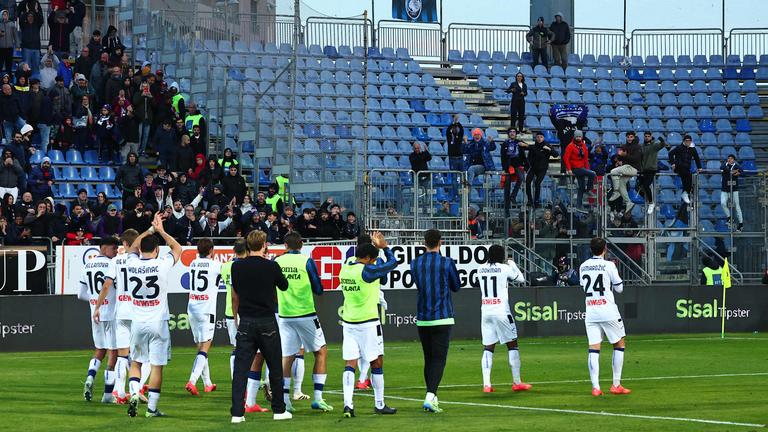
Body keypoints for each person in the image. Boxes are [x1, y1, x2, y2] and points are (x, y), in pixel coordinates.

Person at [230, 230, 292, 424]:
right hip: (267, 321)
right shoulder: (271, 266)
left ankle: (237, 413)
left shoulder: (236, 267)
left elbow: (236, 294)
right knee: (274, 367)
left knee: (241, 369)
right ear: (264, 244)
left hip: (246, 320)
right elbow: (284, 286)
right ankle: (279, 410)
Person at [125, 213, 182, 418]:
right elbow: (178, 249)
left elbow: (131, 248)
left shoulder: (131, 263)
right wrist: (161, 231)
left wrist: (149, 230)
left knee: (136, 363)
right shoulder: (162, 263)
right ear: (157, 250)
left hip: (138, 322)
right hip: (158, 322)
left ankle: (133, 393)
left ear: (141, 249)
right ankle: (151, 409)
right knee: (157, 366)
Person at [338, 231, 397, 418]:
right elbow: (393, 264)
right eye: (373, 259)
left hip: (349, 322)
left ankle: (348, 405)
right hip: (369, 323)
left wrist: (373, 249)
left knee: (350, 363)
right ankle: (379, 404)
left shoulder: (346, 266)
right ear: (369, 258)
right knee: (377, 361)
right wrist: (385, 247)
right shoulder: (367, 271)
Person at [274, 232, 333, 413]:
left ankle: (285, 400)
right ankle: (317, 398)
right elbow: (318, 288)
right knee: (321, 352)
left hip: (284, 314)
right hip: (305, 313)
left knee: (288, 356)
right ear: (301, 245)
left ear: (285, 245)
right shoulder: (306, 261)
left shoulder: (277, 261)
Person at [410, 229, 461, 413]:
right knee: (439, 359)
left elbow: (418, 283)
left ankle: (432, 397)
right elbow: (456, 286)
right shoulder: (447, 263)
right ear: (441, 242)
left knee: (429, 359)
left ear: (424, 242)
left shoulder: (414, 263)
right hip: (442, 316)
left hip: (423, 318)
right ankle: (430, 396)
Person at [474, 244, 532, 393]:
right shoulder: (504, 268)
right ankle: (517, 382)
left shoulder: (480, 269)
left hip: (485, 310)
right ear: (501, 256)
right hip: (501, 311)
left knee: (488, 347)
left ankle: (486, 384)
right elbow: (521, 279)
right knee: (512, 345)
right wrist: (512, 263)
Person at [92, 229, 140, 404]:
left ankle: (119, 392)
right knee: (140, 356)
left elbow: (106, 285)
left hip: (121, 312)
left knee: (121, 355)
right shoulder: (143, 261)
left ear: (125, 244)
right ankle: (137, 388)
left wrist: (97, 307)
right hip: (138, 311)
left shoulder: (116, 261)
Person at [579, 237, 630, 396]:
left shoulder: (583, 266)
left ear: (590, 249)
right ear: (605, 249)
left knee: (594, 348)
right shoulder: (609, 265)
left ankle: (596, 387)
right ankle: (616, 384)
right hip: (608, 310)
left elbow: (583, 286)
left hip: (591, 311)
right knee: (619, 344)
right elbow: (620, 288)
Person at [77, 236, 120, 403]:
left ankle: (90, 378)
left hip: (95, 314)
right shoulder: (112, 265)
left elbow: (80, 294)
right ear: (104, 248)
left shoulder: (87, 265)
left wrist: (95, 300)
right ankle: (108, 395)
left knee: (99, 350)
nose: (116, 251)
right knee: (113, 353)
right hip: (111, 314)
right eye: (113, 248)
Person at [184, 238, 222, 396]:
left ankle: (207, 383)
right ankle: (192, 381)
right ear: (212, 250)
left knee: (200, 348)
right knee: (205, 347)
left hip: (192, 308)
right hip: (206, 310)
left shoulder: (193, 263)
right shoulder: (216, 265)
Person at [608, 131, 642, 213]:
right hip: (626, 167)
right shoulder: (624, 146)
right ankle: (628, 202)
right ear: (626, 138)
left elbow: (636, 159)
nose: (629, 138)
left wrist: (624, 155)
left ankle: (616, 192)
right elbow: (620, 159)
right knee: (622, 185)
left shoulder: (637, 147)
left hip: (633, 168)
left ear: (634, 137)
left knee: (613, 171)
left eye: (631, 137)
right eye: (628, 137)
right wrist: (620, 155)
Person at [563, 130, 597, 208]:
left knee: (581, 187)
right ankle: (589, 189)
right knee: (592, 173)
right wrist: (569, 169)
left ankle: (578, 205)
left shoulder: (583, 146)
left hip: (581, 168)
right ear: (574, 137)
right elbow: (566, 158)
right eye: (577, 136)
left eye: (580, 136)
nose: (578, 138)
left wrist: (587, 169)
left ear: (582, 137)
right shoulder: (570, 146)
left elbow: (585, 159)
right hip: (575, 168)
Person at [668, 134, 702, 205]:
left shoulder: (692, 149)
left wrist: (699, 167)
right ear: (684, 141)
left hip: (686, 168)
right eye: (686, 141)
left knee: (688, 179)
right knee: (688, 176)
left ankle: (685, 193)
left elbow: (697, 158)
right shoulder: (679, 147)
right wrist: (673, 163)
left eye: (689, 141)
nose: (688, 142)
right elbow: (670, 153)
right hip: (678, 167)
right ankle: (685, 193)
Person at [525, 131, 557, 208]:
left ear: (543, 138)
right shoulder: (533, 147)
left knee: (537, 183)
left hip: (542, 169)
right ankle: (530, 200)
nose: (539, 138)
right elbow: (528, 158)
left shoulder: (547, 145)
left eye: (541, 137)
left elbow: (556, 155)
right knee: (527, 182)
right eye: (538, 137)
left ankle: (536, 201)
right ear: (536, 138)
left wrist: (549, 149)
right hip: (533, 168)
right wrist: (527, 168)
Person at [638, 133, 667, 215]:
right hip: (643, 170)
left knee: (646, 185)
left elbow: (662, 145)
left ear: (651, 137)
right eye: (646, 136)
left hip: (651, 169)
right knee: (639, 186)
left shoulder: (654, 145)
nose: (647, 138)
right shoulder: (642, 146)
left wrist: (662, 140)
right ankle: (647, 199)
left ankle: (651, 203)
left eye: (648, 136)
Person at [720, 154, 743, 232]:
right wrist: (732, 172)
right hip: (725, 189)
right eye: (728, 158)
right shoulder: (724, 165)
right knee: (723, 203)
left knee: (737, 206)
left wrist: (737, 172)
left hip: (734, 189)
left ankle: (741, 224)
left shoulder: (736, 166)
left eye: (731, 158)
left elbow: (741, 170)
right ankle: (729, 217)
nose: (729, 159)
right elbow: (722, 168)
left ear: (734, 160)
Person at [0, 10, 18, 76]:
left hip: (9, 48)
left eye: (6, 14)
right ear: (1, 15)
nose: (5, 16)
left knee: (9, 66)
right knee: (0, 65)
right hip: (1, 48)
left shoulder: (12, 24)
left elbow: (16, 35)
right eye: (3, 14)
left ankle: (9, 81)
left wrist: (17, 45)